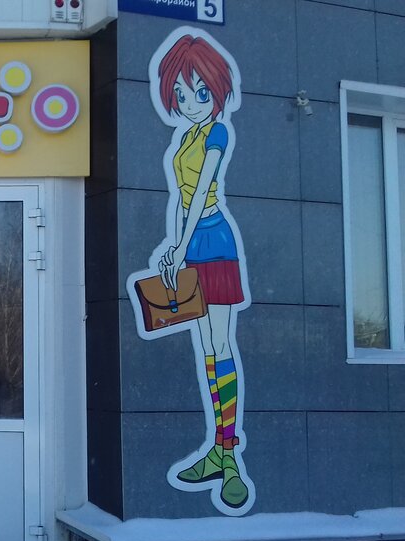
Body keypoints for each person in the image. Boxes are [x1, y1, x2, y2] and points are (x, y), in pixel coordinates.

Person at [152, 31, 250, 511]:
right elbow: (180, 199)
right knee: (209, 348)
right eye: (181, 93)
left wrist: (182, 246)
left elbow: (201, 194)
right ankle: (219, 447)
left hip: (214, 240)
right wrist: (174, 247)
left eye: (200, 92)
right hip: (192, 243)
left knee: (220, 344)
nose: (190, 102)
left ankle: (228, 457)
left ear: (217, 90)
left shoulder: (217, 132)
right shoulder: (187, 135)